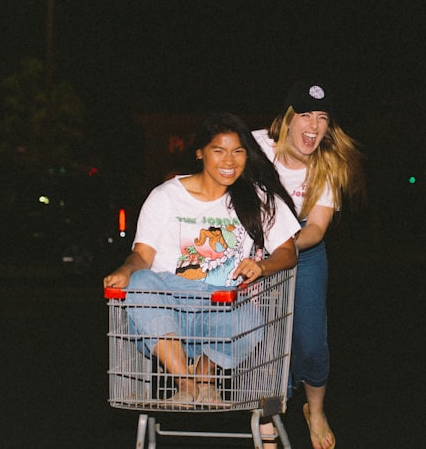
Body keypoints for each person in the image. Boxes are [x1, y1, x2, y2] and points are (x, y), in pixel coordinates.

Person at [103, 111, 301, 408]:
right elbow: (142, 255)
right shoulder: (166, 196)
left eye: (238, 152)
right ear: (200, 152)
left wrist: (262, 266)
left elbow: (288, 252)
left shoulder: (256, 199)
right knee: (141, 281)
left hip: (220, 310)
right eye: (218, 151)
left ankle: (206, 379)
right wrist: (125, 270)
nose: (229, 161)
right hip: (167, 311)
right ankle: (187, 384)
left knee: (252, 318)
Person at [253, 82, 364, 449]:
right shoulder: (254, 149)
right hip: (251, 251)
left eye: (322, 118)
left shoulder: (327, 165)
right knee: (262, 344)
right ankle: (267, 430)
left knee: (312, 343)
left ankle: (315, 410)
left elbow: (316, 229)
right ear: (287, 120)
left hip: (303, 250)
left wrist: (282, 249)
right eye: (304, 115)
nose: (313, 125)